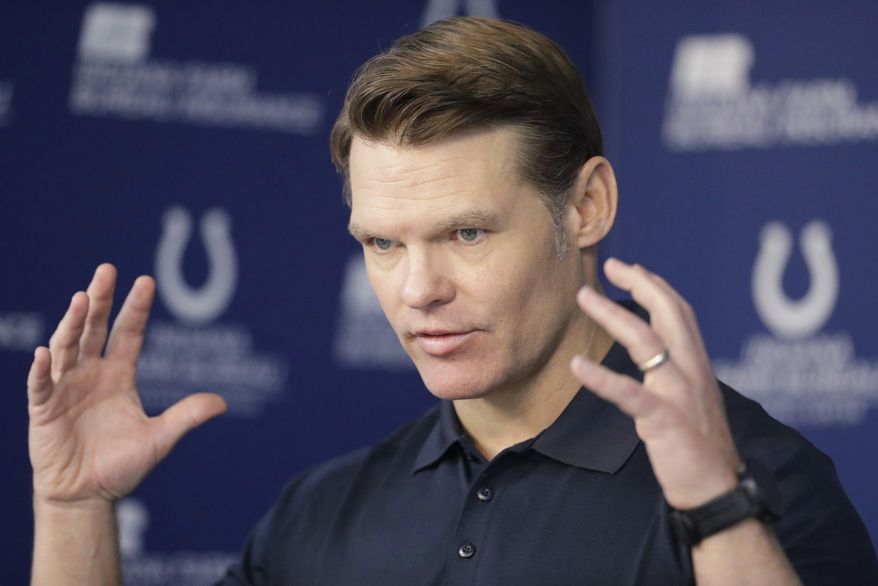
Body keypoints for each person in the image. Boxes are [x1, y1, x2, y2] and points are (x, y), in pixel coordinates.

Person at [28, 17, 876, 585]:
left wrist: (720, 514)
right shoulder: (320, 513)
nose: (416, 291)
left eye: (466, 234)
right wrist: (74, 509)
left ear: (586, 208)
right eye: (382, 243)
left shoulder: (767, 485)